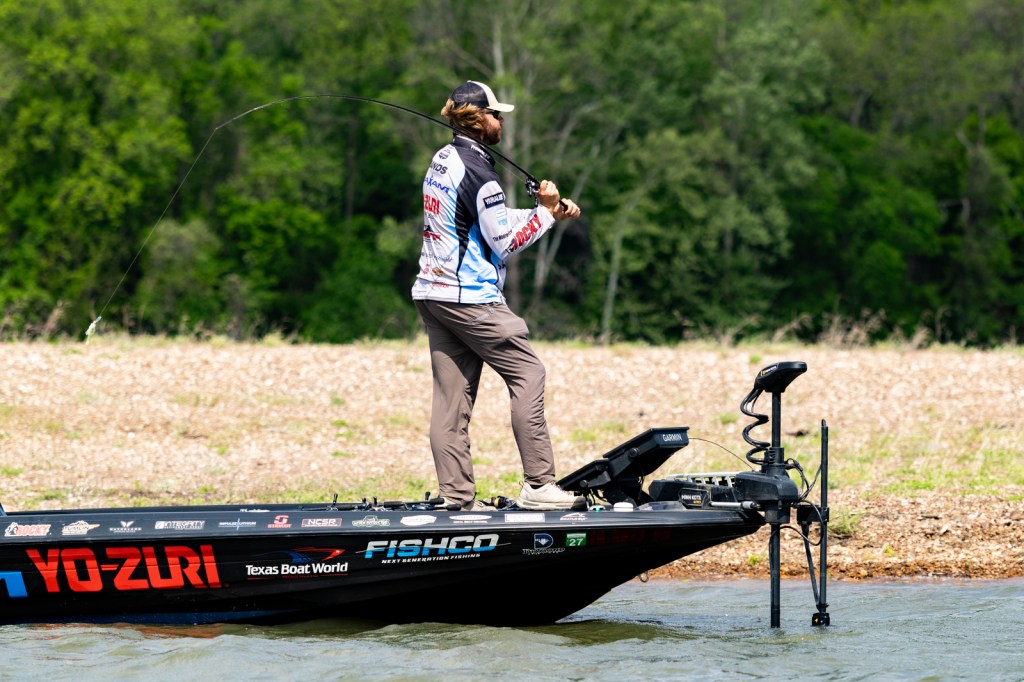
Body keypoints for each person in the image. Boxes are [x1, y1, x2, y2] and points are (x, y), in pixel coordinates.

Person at [411, 80, 584, 512]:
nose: (501, 121)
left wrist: (546, 212)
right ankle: (539, 484)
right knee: (529, 373)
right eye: (495, 114)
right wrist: (545, 213)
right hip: (470, 298)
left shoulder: (443, 160)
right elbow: (504, 241)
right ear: (477, 119)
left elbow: (485, 220)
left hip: (433, 294)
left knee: (451, 399)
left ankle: (456, 496)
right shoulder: (482, 174)